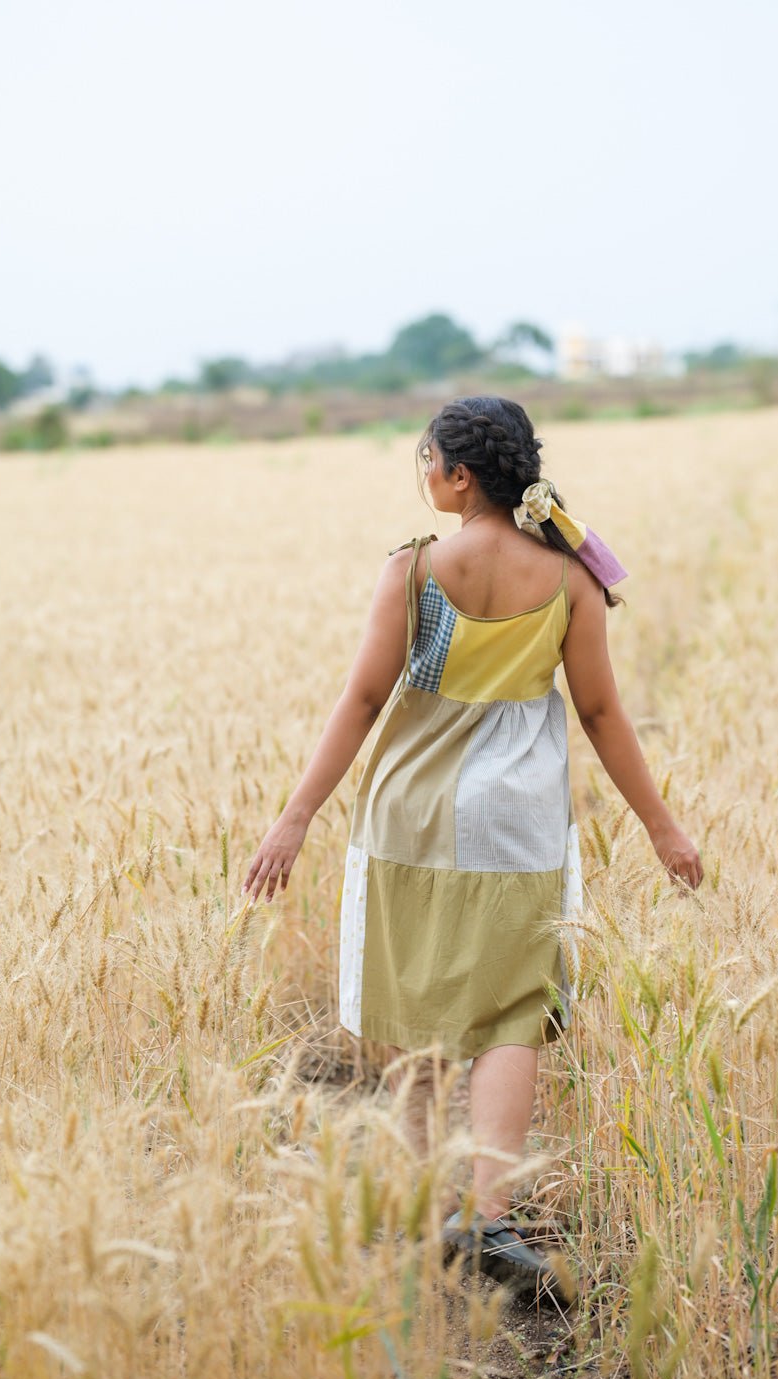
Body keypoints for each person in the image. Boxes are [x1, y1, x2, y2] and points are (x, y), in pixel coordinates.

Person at [242, 396, 703, 1300]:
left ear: (459, 475)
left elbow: (363, 700)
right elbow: (602, 712)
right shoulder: (570, 576)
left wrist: (293, 816)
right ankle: (487, 1220)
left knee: (411, 1012)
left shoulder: (414, 571)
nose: (422, 474)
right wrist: (662, 826)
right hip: (516, 823)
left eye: (427, 459)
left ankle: (422, 1210)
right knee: (510, 1016)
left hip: (408, 814)